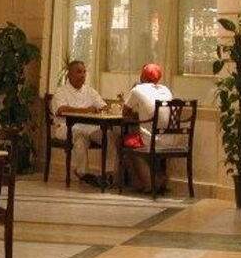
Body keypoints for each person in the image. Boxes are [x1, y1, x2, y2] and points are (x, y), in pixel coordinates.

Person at [51, 60, 113, 186]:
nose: (83, 75)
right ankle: (84, 173)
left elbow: (103, 106)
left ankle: (108, 174)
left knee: (110, 136)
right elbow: (61, 110)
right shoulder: (61, 92)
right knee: (79, 136)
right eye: (79, 72)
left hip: (89, 127)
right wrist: (86, 110)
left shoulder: (90, 91)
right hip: (65, 127)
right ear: (69, 74)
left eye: (84, 72)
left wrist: (109, 108)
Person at [122, 63, 176, 192]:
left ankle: (147, 183)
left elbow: (125, 112)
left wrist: (138, 114)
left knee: (125, 142)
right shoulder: (166, 90)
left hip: (151, 141)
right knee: (143, 140)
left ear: (143, 76)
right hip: (171, 139)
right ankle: (158, 179)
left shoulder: (137, 89)